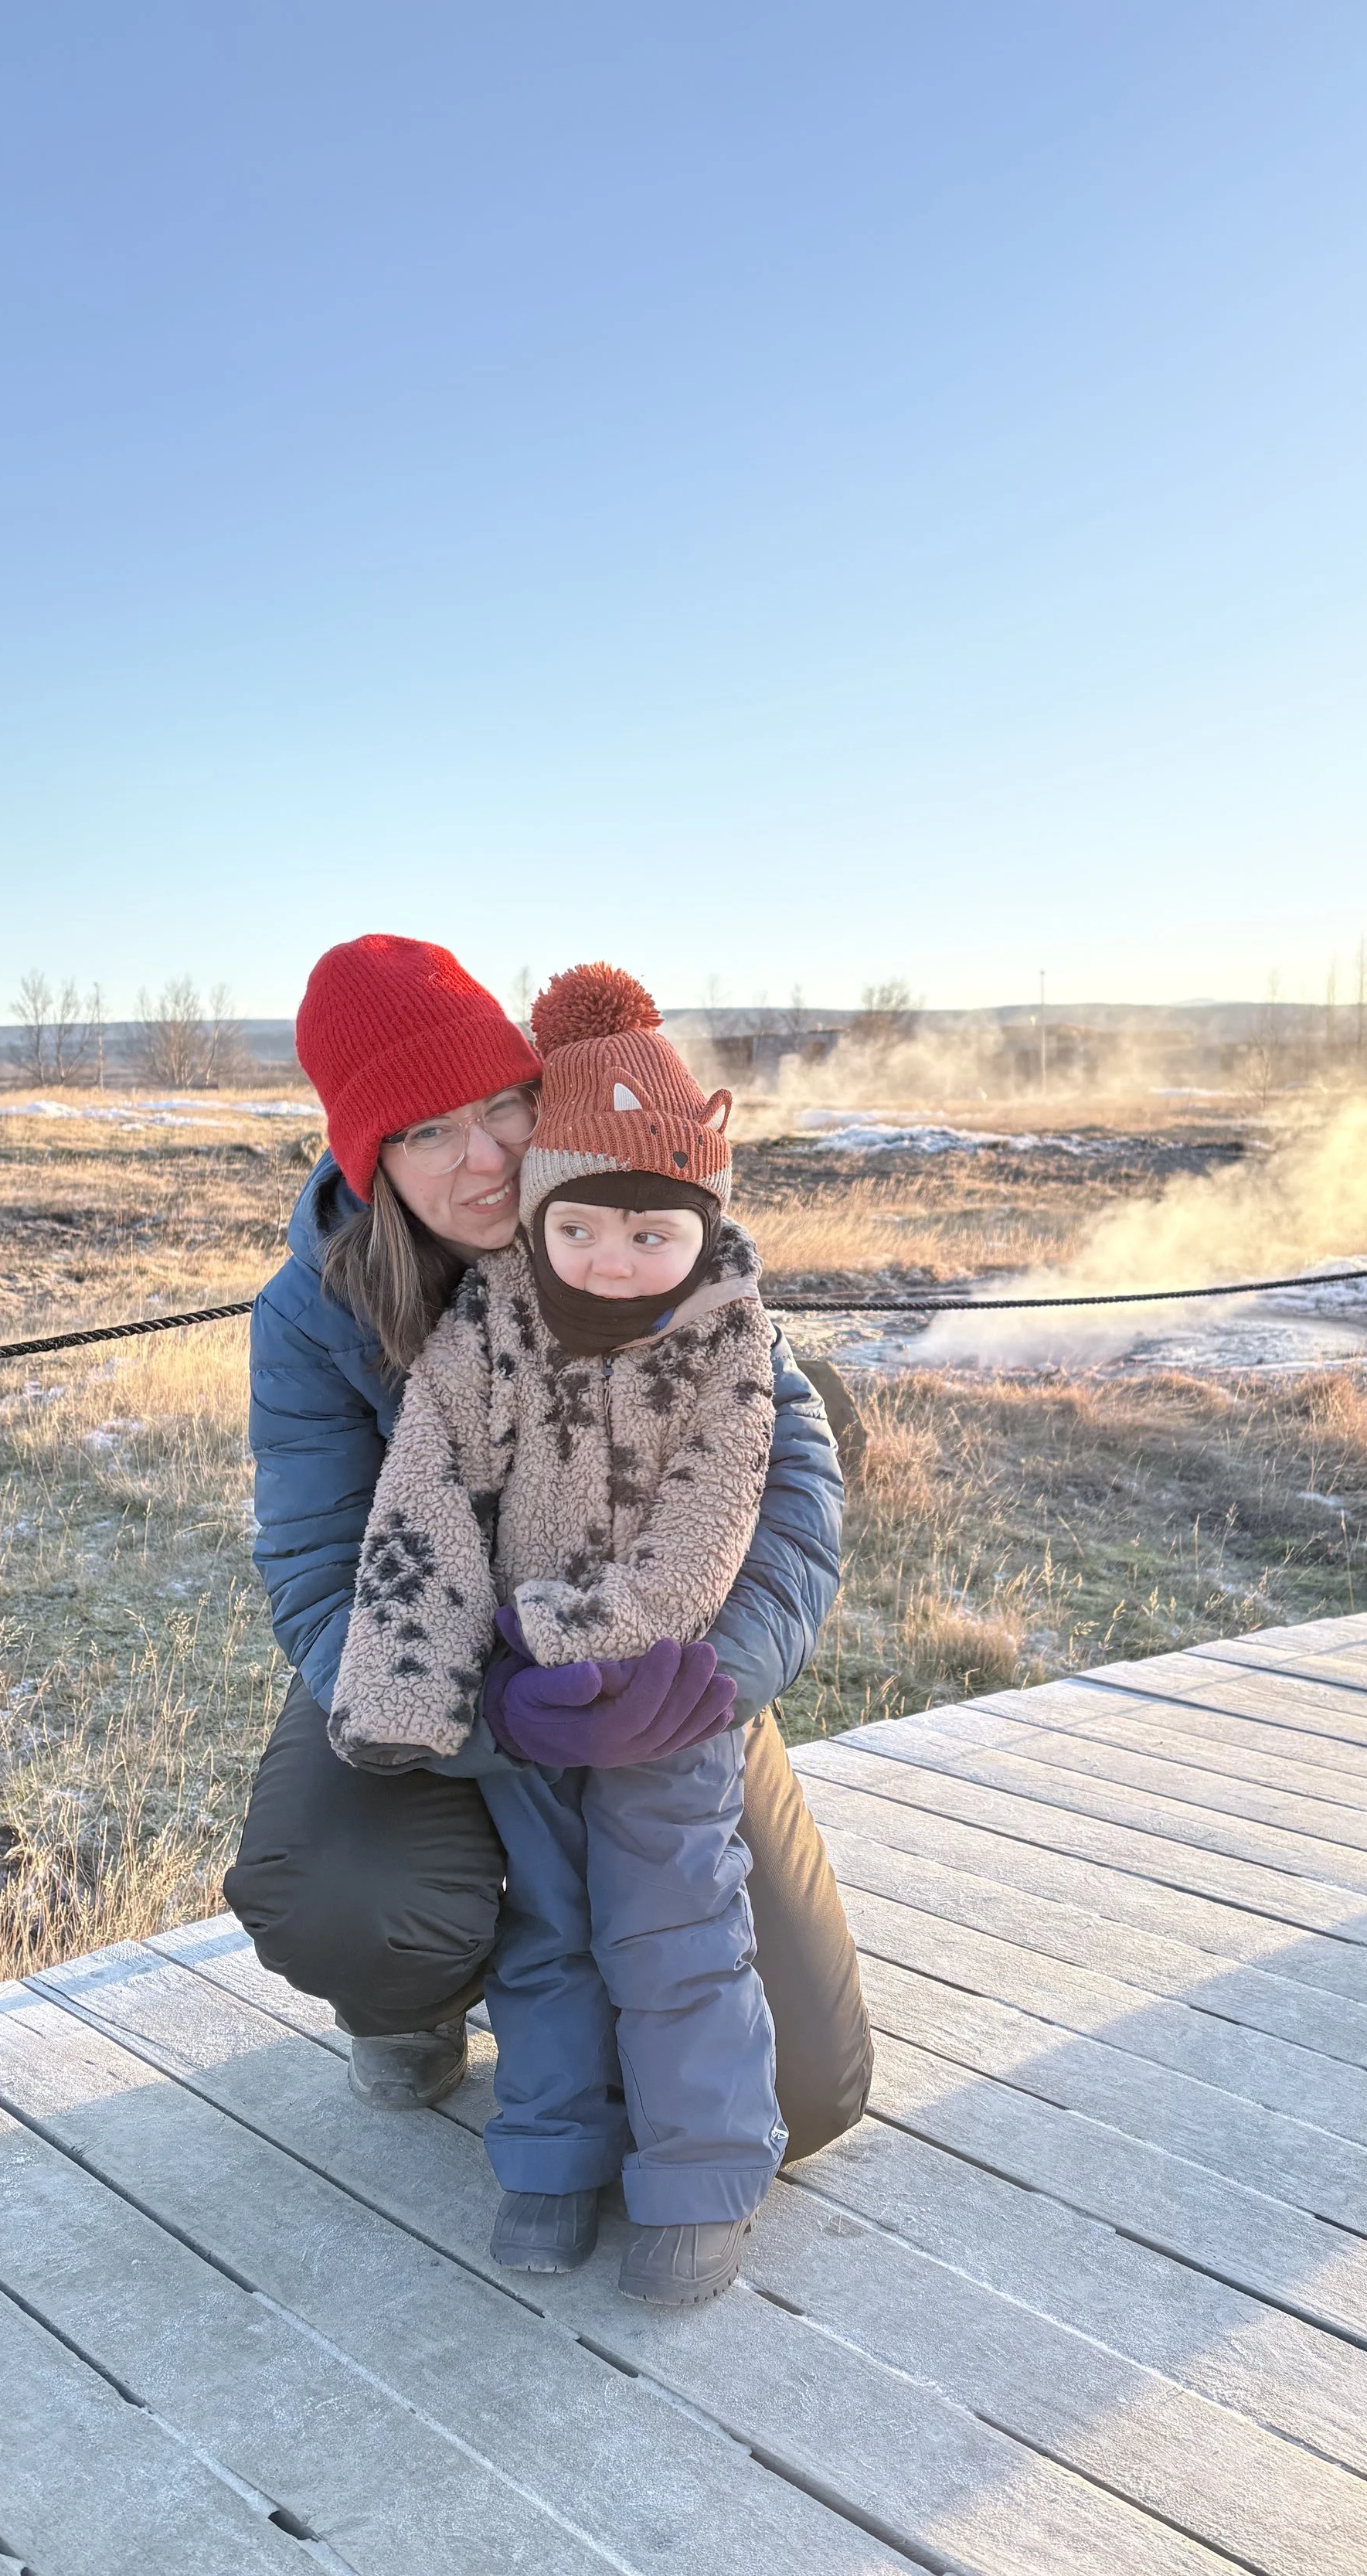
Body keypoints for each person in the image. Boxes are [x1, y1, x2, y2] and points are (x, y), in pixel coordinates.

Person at [223, 934, 871, 2173]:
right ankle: (407, 1995)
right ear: (371, 1161)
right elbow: (314, 1577)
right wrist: (506, 1718)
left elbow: (792, 1482)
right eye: (424, 1133)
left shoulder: (643, 1212)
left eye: (504, 1104)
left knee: (803, 2094)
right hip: (427, 1655)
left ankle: (613, 1961)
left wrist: (707, 1679)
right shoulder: (312, 1317)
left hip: (664, 1666)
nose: (485, 1157)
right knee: (347, 1901)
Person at [332, 961, 784, 2302]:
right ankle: (545, 2153)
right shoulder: (479, 1335)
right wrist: (434, 1695)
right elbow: (418, 1507)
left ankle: (704, 2171)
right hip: (520, 1698)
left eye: (653, 1232)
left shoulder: (724, 1330)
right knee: (550, 1926)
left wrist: (661, 1649)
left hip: (665, 1687)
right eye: (423, 1131)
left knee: (676, 1920)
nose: (616, 1259)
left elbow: (730, 1502)